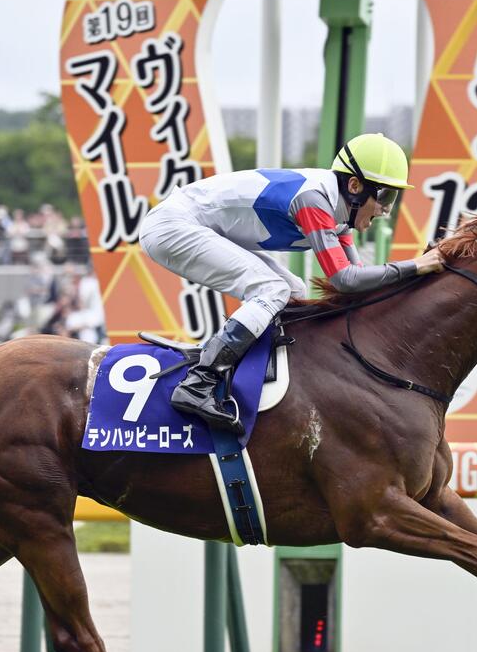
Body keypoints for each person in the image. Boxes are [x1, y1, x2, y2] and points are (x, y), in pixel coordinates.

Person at [139, 133, 444, 432]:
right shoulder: (314, 201)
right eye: (385, 196)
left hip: (199, 226)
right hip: (173, 226)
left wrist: (419, 278)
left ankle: (259, 377)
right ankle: (198, 383)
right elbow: (345, 279)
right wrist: (416, 266)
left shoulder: (340, 215)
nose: (387, 209)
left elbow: (359, 284)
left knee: (294, 291)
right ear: (354, 186)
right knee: (273, 289)